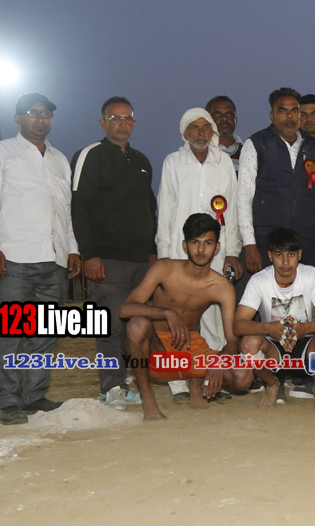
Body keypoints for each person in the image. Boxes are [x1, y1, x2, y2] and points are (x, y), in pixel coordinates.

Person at [0, 93, 81, 424]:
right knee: (13, 334)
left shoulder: (60, 159)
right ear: (17, 118)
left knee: (45, 334)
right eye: (32, 112)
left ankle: (34, 396)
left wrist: (73, 248)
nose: (40, 118)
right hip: (15, 257)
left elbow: (66, 211)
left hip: (54, 259)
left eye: (46, 113)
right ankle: (7, 400)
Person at [71, 96, 158, 410]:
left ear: (134, 123)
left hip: (140, 261)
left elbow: (149, 208)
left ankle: (127, 382)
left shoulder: (142, 160)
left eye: (127, 118)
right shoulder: (90, 155)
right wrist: (89, 254)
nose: (122, 123)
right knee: (108, 326)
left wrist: (152, 252)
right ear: (103, 122)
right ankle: (110, 388)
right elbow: (79, 206)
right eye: (115, 118)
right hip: (106, 259)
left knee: (135, 327)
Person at [121, 214, 249, 421]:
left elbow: (233, 340)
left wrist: (218, 362)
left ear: (217, 247)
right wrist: (166, 312)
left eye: (208, 243)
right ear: (185, 245)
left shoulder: (222, 287)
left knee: (243, 377)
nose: (201, 249)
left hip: (191, 349)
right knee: (137, 324)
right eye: (195, 242)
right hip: (157, 352)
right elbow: (125, 309)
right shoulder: (164, 269)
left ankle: (196, 381)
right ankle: (148, 398)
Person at [156, 108, 243, 404]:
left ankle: (210, 379)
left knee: (216, 318)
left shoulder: (224, 163)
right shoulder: (173, 162)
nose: (201, 133)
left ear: (213, 132)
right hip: (179, 253)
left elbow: (232, 211)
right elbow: (165, 212)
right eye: (194, 128)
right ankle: (178, 382)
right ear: (185, 133)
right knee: (181, 317)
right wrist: (164, 259)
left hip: (216, 253)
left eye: (206, 127)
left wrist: (232, 251)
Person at [233, 226, 315, 409]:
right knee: (248, 343)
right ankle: (272, 384)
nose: (286, 261)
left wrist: (304, 329)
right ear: (270, 256)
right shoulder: (259, 280)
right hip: (272, 348)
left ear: (300, 255)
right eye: (279, 255)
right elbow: (238, 325)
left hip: (306, 344)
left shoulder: (310, 274)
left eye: (291, 254)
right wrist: (269, 328)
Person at [236, 87, 315, 274]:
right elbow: (244, 197)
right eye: (282, 111)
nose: (289, 116)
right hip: (267, 241)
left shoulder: (314, 146)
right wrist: (249, 244)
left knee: (306, 292)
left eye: (294, 111)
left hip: (306, 241)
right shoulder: (256, 144)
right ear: (272, 115)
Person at [206, 96, 243, 174]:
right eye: (217, 114)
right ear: (207, 120)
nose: (224, 118)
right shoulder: (200, 153)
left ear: (236, 120)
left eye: (229, 114)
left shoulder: (248, 152)